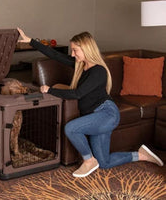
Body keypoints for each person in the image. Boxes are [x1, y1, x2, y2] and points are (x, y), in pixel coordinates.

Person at [17, 28, 164, 178]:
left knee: (71, 128)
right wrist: (31, 41)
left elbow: (77, 93)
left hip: (106, 114)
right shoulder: (81, 66)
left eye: (75, 50)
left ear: (86, 48)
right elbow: (55, 55)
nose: (72, 54)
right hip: (96, 117)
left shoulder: (98, 71)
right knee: (104, 162)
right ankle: (140, 155)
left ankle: (88, 160)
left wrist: (50, 90)